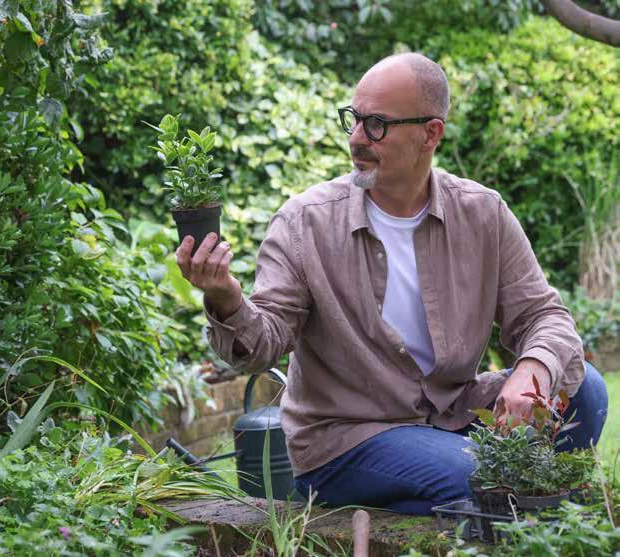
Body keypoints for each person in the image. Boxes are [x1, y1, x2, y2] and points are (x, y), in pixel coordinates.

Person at [174, 53, 609, 515]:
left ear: (431, 133)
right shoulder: (305, 222)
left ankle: (502, 513)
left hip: (451, 413)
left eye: (377, 124)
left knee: (586, 390)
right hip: (347, 437)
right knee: (480, 472)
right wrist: (226, 298)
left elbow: (544, 315)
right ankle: (507, 509)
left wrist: (532, 372)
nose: (357, 138)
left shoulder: (482, 213)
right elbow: (262, 346)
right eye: (354, 119)